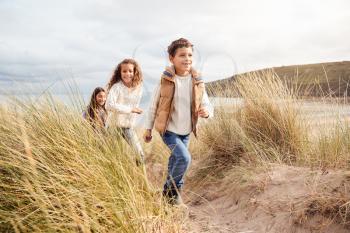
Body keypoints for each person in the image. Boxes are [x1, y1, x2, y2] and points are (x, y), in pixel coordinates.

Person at [144, 38, 214, 205]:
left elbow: (207, 103)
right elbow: (153, 107)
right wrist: (147, 129)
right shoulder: (165, 81)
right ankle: (172, 192)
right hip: (168, 130)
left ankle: (169, 197)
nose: (187, 58)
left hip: (186, 131)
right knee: (184, 158)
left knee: (176, 160)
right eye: (182, 55)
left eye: (190, 55)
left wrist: (207, 112)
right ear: (171, 58)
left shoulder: (197, 81)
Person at [105, 58, 145, 164]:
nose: (127, 74)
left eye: (130, 71)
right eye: (124, 71)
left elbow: (135, 108)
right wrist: (130, 109)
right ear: (120, 72)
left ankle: (140, 178)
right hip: (113, 127)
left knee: (140, 155)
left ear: (135, 72)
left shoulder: (138, 88)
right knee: (113, 157)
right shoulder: (116, 87)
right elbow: (109, 105)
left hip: (128, 127)